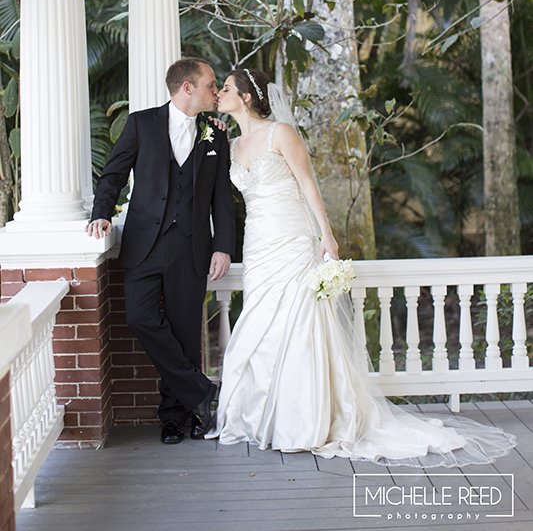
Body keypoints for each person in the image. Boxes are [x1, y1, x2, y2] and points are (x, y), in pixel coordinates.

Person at [207, 67, 516, 466]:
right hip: (259, 244)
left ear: (246, 96)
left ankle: (307, 420)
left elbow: (307, 185)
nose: (220, 94)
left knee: (300, 324)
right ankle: (263, 416)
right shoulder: (230, 146)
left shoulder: (280, 133)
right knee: (262, 324)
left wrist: (328, 237)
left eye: (226, 89)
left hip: (292, 238)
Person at [87, 58, 235, 444]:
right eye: (209, 85)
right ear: (187, 87)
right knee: (138, 317)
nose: (215, 91)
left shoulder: (216, 135)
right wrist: (101, 213)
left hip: (191, 248)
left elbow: (222, 199)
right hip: (144, 246)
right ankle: (202, 391)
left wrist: (223, 247)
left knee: (186, 335)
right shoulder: (141, 124)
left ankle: (176, 417)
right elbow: (113, 174)